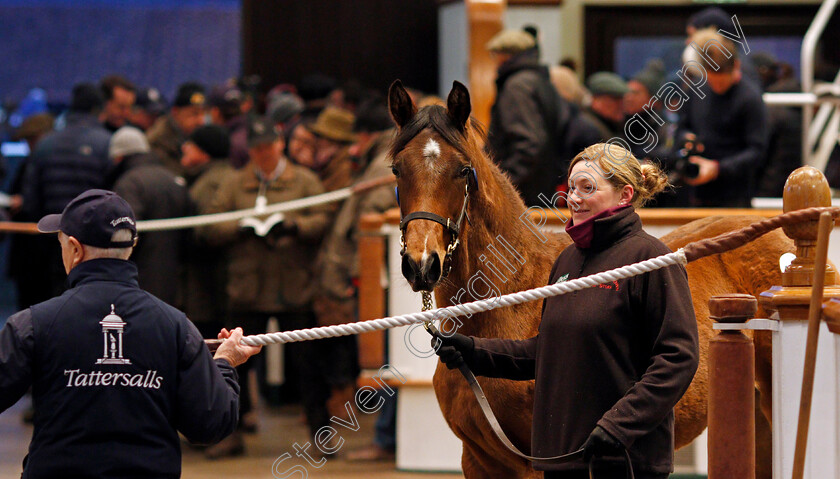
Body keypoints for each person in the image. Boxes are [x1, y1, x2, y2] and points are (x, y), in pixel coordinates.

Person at [433, 143, 699, 479]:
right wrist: (474, 350)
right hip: (563, 459)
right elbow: (546, 352)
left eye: (587, 188)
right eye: (571, 188)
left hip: (623, 460)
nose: (574, 198)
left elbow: (678, 357)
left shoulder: (650, 258)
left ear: (624, 195)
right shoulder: (568, 261)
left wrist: (620, 425)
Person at [0, 189, 261, 477]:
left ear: (75, 249)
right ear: (132, 245)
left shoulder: (34, 324)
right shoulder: (175, 326)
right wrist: (223, 364)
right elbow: (210, 425)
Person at [200, 117, 331, 457]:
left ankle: (321, 433)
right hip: (247, 290)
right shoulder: (234, 183)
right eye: (256, 149)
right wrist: (237, 228)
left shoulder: (304, 180)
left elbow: (323, 218)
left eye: (268, 147)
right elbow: (209, 225)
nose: (263, 154)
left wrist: (293, 227)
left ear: (280, 145)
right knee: (234, 365)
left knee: (309, 365)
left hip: (294, 288)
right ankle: (231, 433)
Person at [22, 82, 113, 299]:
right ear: (98, 109)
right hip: (93, 241)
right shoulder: (106, 143)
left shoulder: (45, 144)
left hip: (51, 237)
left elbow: (31, 200)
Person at [679, 29, 768, 207]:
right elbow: (682, 127)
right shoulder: (698, 89)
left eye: (721, 81)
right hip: (699, 191)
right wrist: (686, 139)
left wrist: (718, 168)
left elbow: (757, 151)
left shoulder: (750, 98)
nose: (716, 86)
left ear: (735, 66)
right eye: (712, 81)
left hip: (735, 195)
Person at [108, 126, 193, 307]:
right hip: (178, 281)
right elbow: (191, 232)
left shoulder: (129, 182)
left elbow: (126, 233)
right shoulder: (173, 179)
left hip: (140, 279)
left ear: (119, 156)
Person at [485, 29, 569, 207]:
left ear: (506, 55)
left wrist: (503, 183)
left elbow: (529, 143)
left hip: (524, 194)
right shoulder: (540, 80)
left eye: (495, 55)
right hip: (543, 186)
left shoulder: (517, 86)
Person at [147, 82, 207, 178]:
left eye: (203, 114)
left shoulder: (197, 135)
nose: (201, 121)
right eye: (194, 114)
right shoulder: (159, 139)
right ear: (175, 112)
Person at [583, 72, 628, 141]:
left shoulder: (611, 126)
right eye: (615, 99)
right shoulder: (590, 131)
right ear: (596, 100)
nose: (621, 105)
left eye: (622, 99)